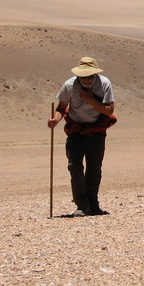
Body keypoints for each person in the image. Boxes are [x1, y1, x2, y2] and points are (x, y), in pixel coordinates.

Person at [49, 56, 117, 217]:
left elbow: (109, 110)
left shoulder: (104, 83)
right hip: (76, 131)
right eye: (83, 77)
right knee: (75, 166)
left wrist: (91, 100)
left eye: (90, 76)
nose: (86, 80)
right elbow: (61, 108)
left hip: (96, 131)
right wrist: (55, 120)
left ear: (95, 75)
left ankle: (93, 205)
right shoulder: (69, 85)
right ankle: (81, 205)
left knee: (94, 168)